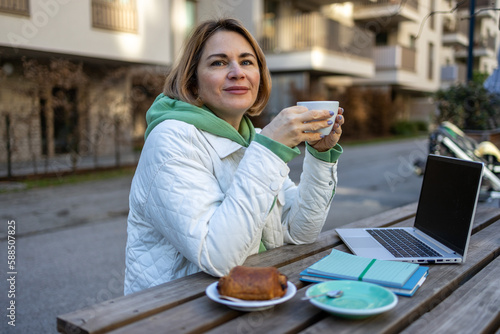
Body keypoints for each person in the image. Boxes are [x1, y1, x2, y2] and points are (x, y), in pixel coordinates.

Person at [124, 18, 344, 295]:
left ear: (259, 76)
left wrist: (321, 156)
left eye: (247, 61)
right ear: (192, 85)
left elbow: (300, 232)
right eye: (218, 62)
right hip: (173, 312)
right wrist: (269, 149)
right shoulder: (171, 139)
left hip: (249, 296)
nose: (237, 72)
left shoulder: (252, 138)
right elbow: (218, 258)